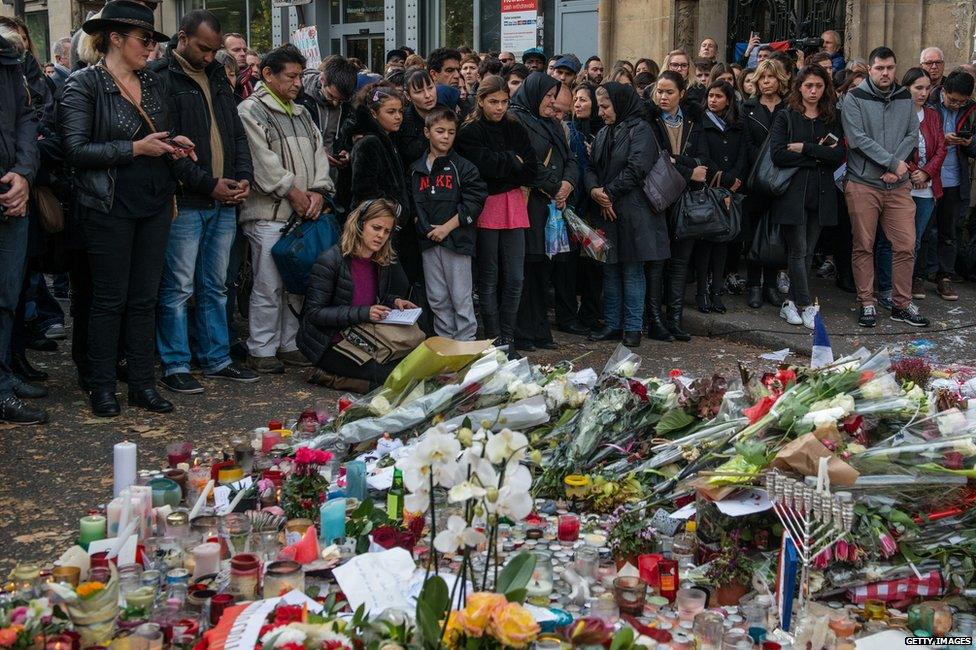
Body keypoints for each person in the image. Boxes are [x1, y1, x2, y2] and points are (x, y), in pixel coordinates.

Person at [59, 0, 196, 416]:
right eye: (143, 39)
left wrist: (173, 143)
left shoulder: (152, 83)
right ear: (114, 38)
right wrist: (135, 148)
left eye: (153, 39)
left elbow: (154, 133)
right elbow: (75, 150)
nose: (151, 47)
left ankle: (142, 384)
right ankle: (101, 386)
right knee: (108, 298)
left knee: (144, 298)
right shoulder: (84, 84)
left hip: (153, 201)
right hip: (108, 205)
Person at [151, 9, 259, 395]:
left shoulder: (217, 77)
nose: (210, 56)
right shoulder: (162, 78)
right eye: (203, 48)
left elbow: (236, 135)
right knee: (179, 286)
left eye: (214, 50)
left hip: (223, 196)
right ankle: (175, 362)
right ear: (181, 38)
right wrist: (208, 183)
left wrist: (243, 177)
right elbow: (169, 146)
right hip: (188, 200)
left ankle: (217, 358)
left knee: (215, 284)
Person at [237, 44, 333, 374]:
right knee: (268, 284)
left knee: (296, 284)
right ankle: (261, 348)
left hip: (303, 214)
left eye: (298, 76)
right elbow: (261, 163)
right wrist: (292, 191)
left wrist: (319, 190)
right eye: (290, 76)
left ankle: (289, 344)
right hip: (269, 214)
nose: (297, 83)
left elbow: (320, 154)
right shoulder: (251, 110)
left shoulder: (302, 112)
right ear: (268, 74)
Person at [843, 46, 928, 328]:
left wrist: (897, 167)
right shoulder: (854, 98)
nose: (885, 73)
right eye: (880, 68)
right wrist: (893, 163)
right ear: (870, 69)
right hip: (863, 183)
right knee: (864, 245)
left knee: (906, 244)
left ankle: (901, 304)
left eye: (890, 68)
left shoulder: (905, 96)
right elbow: (857, 139)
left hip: (898, 185)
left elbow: (911, 134)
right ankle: (867, 302)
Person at [455, 74, 536, 355]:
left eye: (504, 102)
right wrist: (511, 162)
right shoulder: (469, 131)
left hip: (514, 204)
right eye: (493, 102)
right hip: (487, 204)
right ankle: (494, 337)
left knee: (515, 276)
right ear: (480, 100)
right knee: (489, 276)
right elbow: (480, 169)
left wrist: (506, 166)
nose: (500, 108)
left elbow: (531, 168)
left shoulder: (515, 127)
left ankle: (509, 337)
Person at [297, 199, 414, 392]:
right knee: (390, 380)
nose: (381, 236)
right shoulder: (330, 260)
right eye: (376, 228)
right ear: (360, 224)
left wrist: (395, 301)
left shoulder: (379, 260)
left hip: (362, 332)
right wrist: (365, 313)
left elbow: (373, 297)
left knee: (408, 370)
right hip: (330, 342)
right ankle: (330, 378)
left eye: (386, 232)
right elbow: (314, 314)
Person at [586, 83, 667, 347]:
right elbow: (590, 166)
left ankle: (633, 327)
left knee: (632, 270)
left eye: (606, 107)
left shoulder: (641, 129)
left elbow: (637, 168)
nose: (602, 113)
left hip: (634, 213)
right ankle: (612, 323)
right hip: (607, 211)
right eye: (600, 107)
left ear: (619, 105)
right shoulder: (605, 132)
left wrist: (607, 193)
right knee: (609, 269)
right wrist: (594, 190)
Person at [769, 65, 845, 329]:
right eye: (809, 85)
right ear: (799, 87)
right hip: (793, 193)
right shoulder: (786, 116)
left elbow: (838, 155)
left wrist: (805, 149)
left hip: (821, 194)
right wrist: (817, 157)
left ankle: (789, 303)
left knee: (808, 251)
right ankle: (806, 305)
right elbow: (778, 154)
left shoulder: (831, 117)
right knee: (798, 249)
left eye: (819, 86)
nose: (814, 91)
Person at [509, 72, 578, 352]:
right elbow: (526, 163)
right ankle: (524, 331)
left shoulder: (550, 123)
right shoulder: (516, 120)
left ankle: (540, 331)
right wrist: (553, 186)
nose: (552, 103)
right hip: (530, 205)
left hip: (551, 208)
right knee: (526, 269)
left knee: (543, 271)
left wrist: (567, 184)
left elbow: (570, 158)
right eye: (548, 96)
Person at [0, 23, 46, 425]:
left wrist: (23, 174)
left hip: (11, 195)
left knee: (7, 296)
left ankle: (3, 381)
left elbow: (26, 119)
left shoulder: (8, 57)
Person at [409, 107, 487, 340]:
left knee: (461, 299)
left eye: (451, 132)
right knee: (437, 299)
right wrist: (426, 229)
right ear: (427, 132)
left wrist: (446, 228)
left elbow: (474, 202)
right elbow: (415, 204)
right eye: (440, 131)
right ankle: (445, 347)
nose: (445, 136)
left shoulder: (463, 167)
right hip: (429, 243)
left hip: (457, 242)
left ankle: (465, 348)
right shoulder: (416, 169)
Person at [644, 70, 708, 342]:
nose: (663, 96)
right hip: (658, 199)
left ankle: (675, 320)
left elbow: (703, 163)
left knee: (680, 263)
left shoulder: (694, 120)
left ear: (681, 93)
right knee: (657, 262)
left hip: (686, 201)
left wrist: (677, 163)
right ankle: (654, 320)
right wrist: (686, 168)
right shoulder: (649, 120)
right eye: (659, 91)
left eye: (669, 92)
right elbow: (657, 160)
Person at [874, 67, 945, 304]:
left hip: (925, 189)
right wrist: (913, 171)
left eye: (927, 88)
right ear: (907, 89)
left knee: (912, 242)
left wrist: (926, 172)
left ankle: (901, 292)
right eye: (918, 88)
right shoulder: (893, 113)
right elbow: (891, 148)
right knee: (888, 241)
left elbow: (941, 148)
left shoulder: (933, 115)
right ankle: (885, 289)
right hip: (898, 186)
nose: (924, 93)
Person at [348, 84, 419, 285]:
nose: (398, 117)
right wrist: (394, 209)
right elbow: (364, 189)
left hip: (390, 227)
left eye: (400, 111)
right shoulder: (369, 142)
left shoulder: (388, 139)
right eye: (391, 112)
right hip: (376, 228)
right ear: (374, 113)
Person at [696, 80, 749, 314]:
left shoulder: (737, 125)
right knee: (706, 244)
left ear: (728, 100)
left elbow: (743, 154)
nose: (713, 100)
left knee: (722, 243)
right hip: (710, 190)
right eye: (710, 96)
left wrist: (736, 179)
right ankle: (702, 292)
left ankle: (717, 291)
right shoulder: (702, 123)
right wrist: (725, 179)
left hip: (731, 191)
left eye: (718, 96)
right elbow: (703, 156)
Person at [741, 59, 790, 309]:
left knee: (775, 235)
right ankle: (754, 286)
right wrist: (760, 169)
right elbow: (746, 143)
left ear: (780, 79)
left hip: (782, 179)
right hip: (755, 179)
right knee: (753, 234)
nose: (766, 82)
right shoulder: (747, 107)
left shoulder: (789, 107)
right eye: (762, 77)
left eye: (771, 77)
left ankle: (771, 285)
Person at [926, 70, 976, 299]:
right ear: (943, 91)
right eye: (953, 100)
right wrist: (940, 139)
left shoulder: (971, 110)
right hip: (929, 178)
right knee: (925, 230)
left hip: (956, 179)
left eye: (961, 101)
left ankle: (944, 276)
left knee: (950, 231)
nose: (956, 105)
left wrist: (969, 142)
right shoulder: (929, 103)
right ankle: (920, 275)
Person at [568, 82, 604, 331]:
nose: (578, 104)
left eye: (584, 99)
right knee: (571, 266)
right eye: (576, 99)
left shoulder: (602, 132)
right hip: (574, 207)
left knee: (594, 264)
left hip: (596, 208)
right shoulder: (569, 130)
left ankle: (590, 313)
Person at [394, 68, 438, 172]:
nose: (428, 95)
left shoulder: (447, 115)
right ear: (407, 96)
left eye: (430, 87)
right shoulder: (400, 122)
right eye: (419, 92)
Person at [224, 32, 252, 100]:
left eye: (245, 50)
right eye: (236, 50)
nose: (243, 54)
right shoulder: (212, 82)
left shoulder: (252, 82)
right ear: (223, 52)